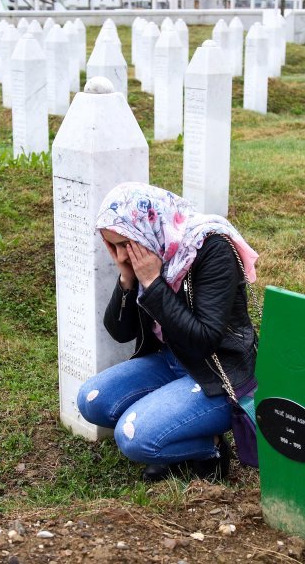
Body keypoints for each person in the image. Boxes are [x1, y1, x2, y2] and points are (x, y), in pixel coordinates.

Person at [76, 182, 260, 482]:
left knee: (134, 439)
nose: (123, 255)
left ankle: (210, 449)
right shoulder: (154, 252)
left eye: (127, 245)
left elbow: (203, 340)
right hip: (171, 360)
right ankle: (174, 433)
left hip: (216, 372)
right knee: (91, 400)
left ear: (149, 227)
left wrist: (152, 283)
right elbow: (120, 332)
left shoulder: (211, 248)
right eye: (115, 247)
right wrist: (128, 278)